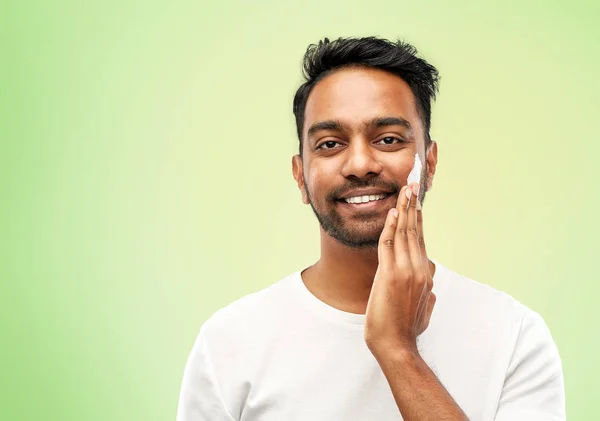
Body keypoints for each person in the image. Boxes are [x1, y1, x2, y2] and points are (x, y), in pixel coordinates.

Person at [176, 36, 565, 420]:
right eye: (330, 144)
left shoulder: (513, 336)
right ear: (300, 177)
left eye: (389, 139)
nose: (360, 164)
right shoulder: (228, 344)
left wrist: (397, 350)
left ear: (429, 163)